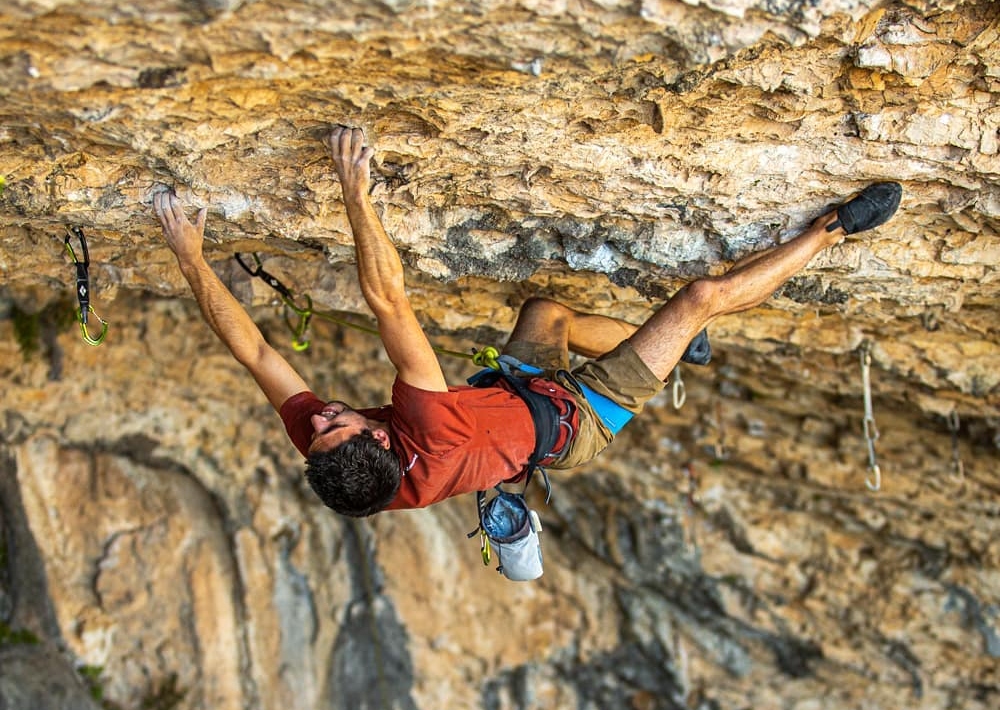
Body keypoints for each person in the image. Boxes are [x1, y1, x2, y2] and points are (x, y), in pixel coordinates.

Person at [154, 126, 901, 517]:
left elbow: (254, 350)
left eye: (316, 432)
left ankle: (683, 351)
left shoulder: (346, 466)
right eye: (335, 423)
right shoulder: (424, 430)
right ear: (382, 437)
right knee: (701, 294)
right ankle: (834, 230)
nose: (322, 419)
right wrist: (355, 189)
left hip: (515, 392)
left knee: (546, 313)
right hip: (581, 417)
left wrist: (189, 253)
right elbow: (389, 302)